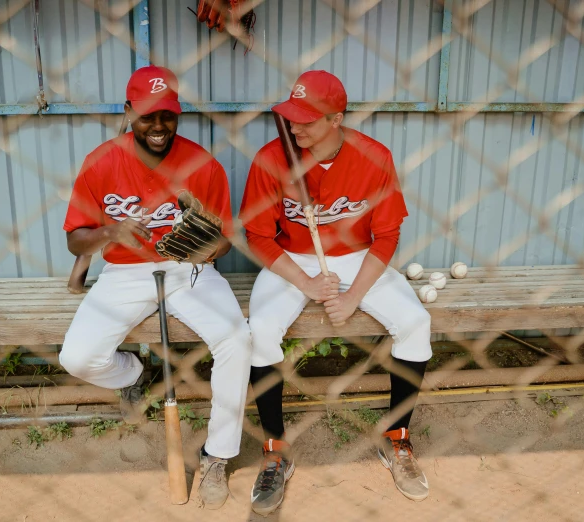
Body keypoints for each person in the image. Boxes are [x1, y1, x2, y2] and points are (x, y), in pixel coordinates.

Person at [239, 70, 433, 515]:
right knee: (262, 330)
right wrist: (306, 283)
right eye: (291, 117)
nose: (295, 127)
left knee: (416, 323)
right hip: (293, 258)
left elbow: (385, 238)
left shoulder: (373, 156)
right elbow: (258, 236)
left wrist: (350, 296)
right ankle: (275, 449)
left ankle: (396, 439)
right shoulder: (272, 158)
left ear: (337, 119)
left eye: (307, 120)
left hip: (358, 256)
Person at [59, 65, 251, 510]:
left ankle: (218, 456)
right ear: (129, 112)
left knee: (237, 339)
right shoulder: (102, 161)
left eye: (167, 114)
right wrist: (111, 232)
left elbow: (224, 238)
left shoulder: (203, 164)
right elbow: (75, 237)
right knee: (76, 357)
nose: (159, 126)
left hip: (188, 272)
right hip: (124, 272)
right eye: (147, 115)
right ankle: (133, 375)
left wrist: (207, 247)